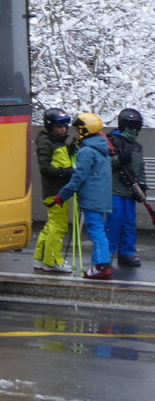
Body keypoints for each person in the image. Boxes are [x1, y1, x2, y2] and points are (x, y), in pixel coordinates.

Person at [52, 112, 115, 280]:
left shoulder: (87, 151)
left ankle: (103, 265)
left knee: (96, 231)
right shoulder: (103, 148)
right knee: (99, 230)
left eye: (79, 130)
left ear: (85, 130)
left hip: (91, 198)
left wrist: (62, 196)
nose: (77, 133)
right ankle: (98, 264)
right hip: (102, 197)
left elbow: (79, 177)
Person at [33, 107, 77, 273]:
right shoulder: (47, 142)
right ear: (50, 126)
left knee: (51, 226)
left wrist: (72, 147)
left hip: (58, 190)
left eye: (65, 126)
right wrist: (67, 173)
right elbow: (45, 168)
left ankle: (40, 258)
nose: (63, 129)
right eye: (59, 126)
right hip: (56, 192)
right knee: (58, 227)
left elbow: (62, 158)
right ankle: (52, 261)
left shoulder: (57, 142)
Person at [107, 107, 147, 268]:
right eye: (133, 127)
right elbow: (104, 163)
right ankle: (107, 253)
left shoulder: (137, 147)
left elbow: (141, 167)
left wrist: (142, 185)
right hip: (114, 189)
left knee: (129, 221)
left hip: (130, 191)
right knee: (114, 220)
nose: (135, 130)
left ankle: (127, 253)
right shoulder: (112, 141)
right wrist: (118, 160)